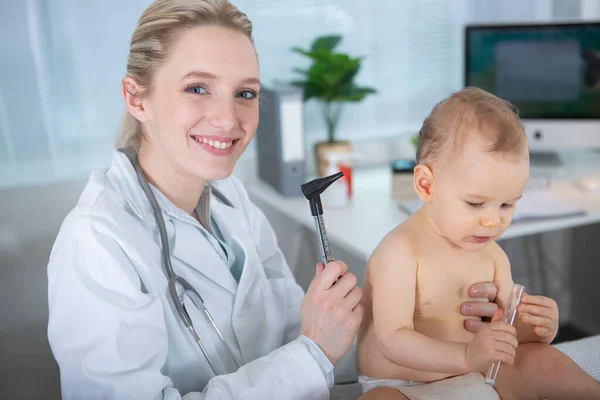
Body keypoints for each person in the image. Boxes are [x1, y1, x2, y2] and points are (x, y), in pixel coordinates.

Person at [46, 1, 507, 399]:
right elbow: (307, 351)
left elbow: (295, 331)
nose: (229, 119)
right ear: (136, 98)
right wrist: (313, 352)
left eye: (245, 93)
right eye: (197, 88)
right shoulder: (97, 240)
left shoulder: (230, 199)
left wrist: (425, 317)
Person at [356, 87, 600, 400]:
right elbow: (392, 341)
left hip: (484, 376)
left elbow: (507, 333)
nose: (493, 222)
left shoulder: (493, 257)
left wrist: (539, 328)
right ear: (426, 185)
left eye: (507, 205)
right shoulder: (401, 251)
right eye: (475, 204)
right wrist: (467, 356)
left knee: (546, 362)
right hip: (404, 387)